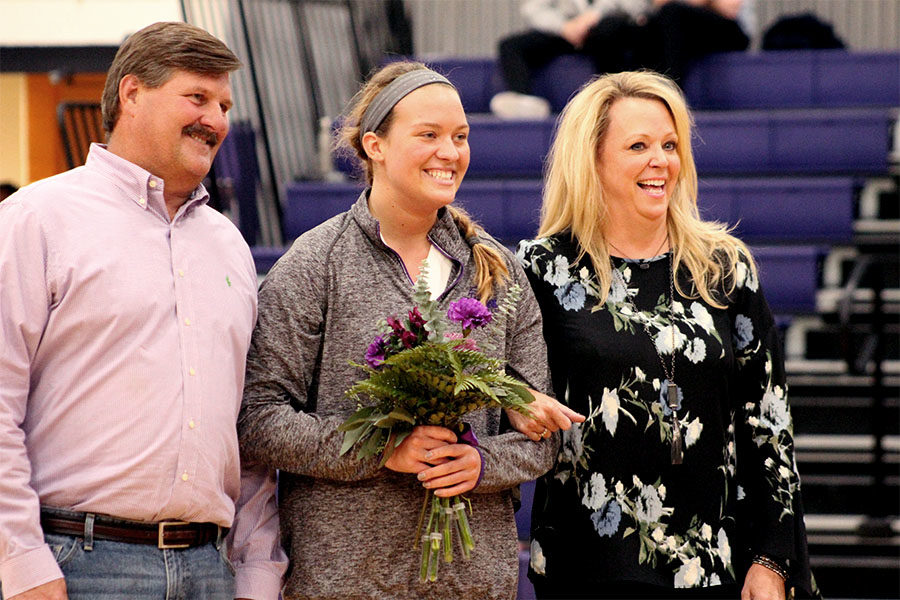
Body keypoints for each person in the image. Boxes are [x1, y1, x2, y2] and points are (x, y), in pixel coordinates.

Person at [237, 60, 581, 599]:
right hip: (346, 583)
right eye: (429, 135)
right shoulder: (314, 263)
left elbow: (543, 437)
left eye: (460, 137)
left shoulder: (499, 270)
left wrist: (480, 462)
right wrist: (383, 448)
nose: (451, 152)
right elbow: (257, 420)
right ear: (375, 145)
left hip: (474, 582)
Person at [0, 22, 287, 600]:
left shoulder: (229, 244)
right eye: (198, 98)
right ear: (131, 94)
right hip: (75, 565)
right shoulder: (35, 219)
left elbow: (247, 428)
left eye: (225, 104)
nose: (217, 120)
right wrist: (23, 564)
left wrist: (258, 575)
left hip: (213, 569)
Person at [515, 71, 819, 598]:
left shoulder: (724, 267)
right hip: (588, 565)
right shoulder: (543, 267)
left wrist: (773, 558)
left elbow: (769, 424)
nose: (661, 161)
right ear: (593, 159)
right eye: (638, 146)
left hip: (717, 564)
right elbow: (505, 396)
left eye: (670, 144)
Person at [490, 0, 755, 119]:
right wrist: (565, 27)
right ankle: (522, 100)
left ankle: (658, 94)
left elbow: (730, 7)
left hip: (724, 30)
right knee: (656, 24)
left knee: (626, 30)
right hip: (568, 29)